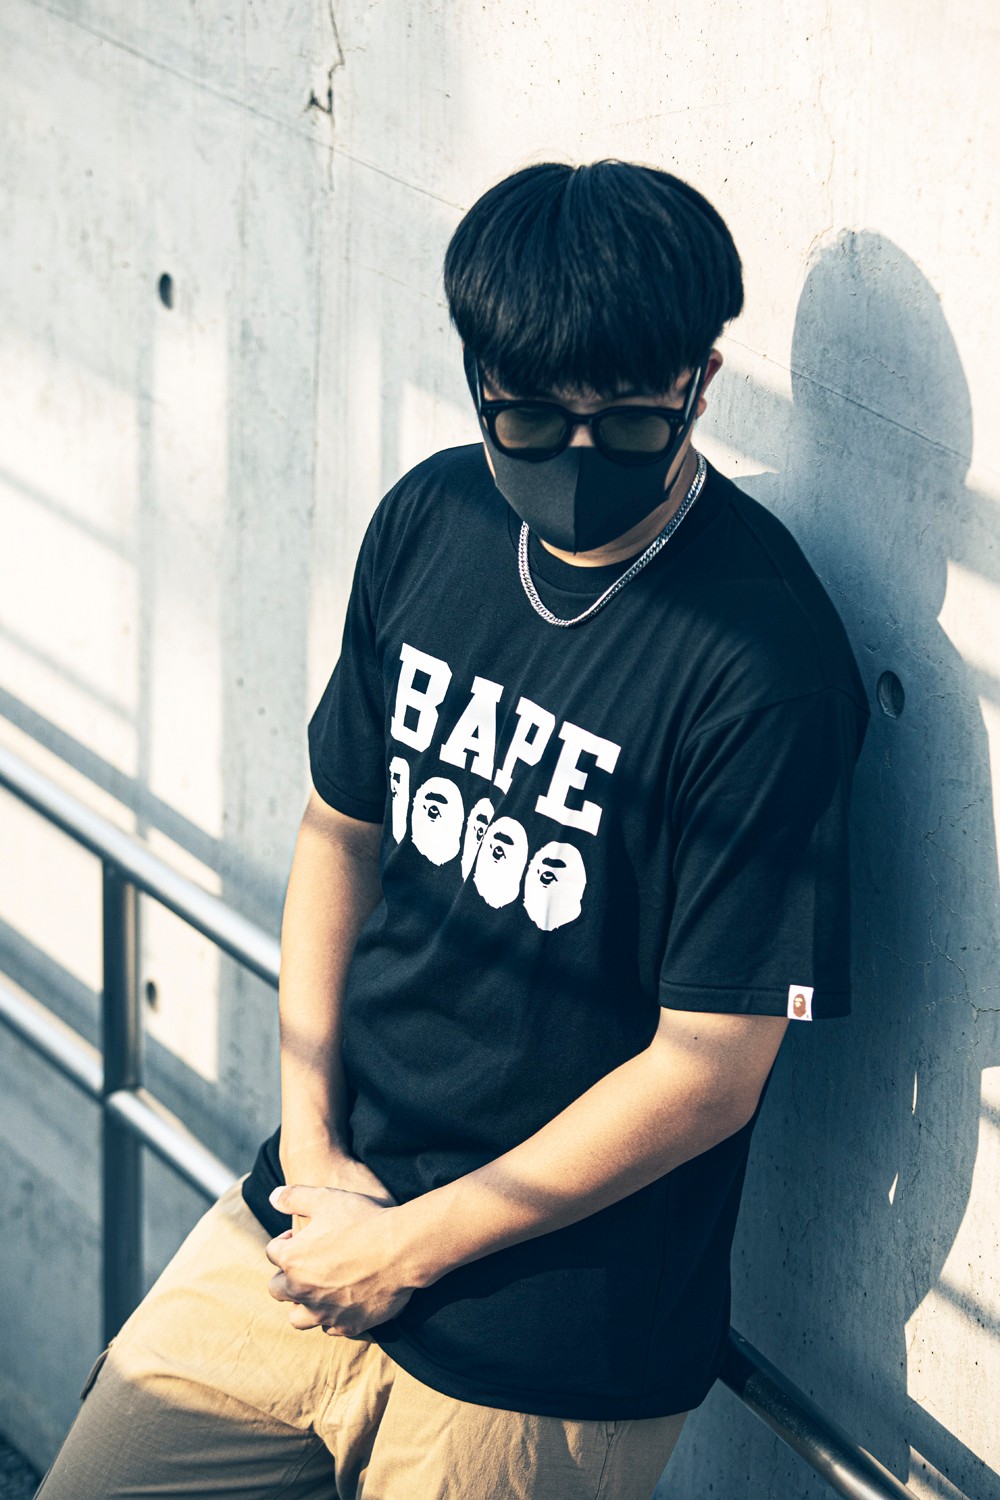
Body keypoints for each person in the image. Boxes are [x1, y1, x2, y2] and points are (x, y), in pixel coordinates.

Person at [37, 160, 869, 1500]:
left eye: (629, 424)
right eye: (531, 421)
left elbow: (709, 1070)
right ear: (480, 381)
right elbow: (339, 834)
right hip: (309, 1222)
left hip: (547, 1345)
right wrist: (314, 1154)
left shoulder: (765, 666)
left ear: (700, 386)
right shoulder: (435, 519)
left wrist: (408, 1248)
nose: (577, 461)